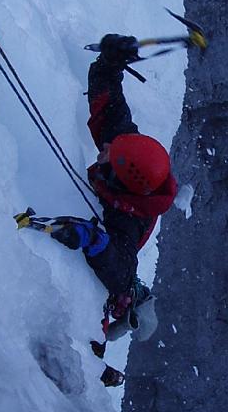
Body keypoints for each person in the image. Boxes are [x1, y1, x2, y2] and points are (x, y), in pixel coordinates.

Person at [50, 34, 178, 385]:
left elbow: (120, 268)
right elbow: (109, 105)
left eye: (110, 155)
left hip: (110, 270)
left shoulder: (129, 218)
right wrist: (109, 64)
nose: (103, 149)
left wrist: (92, 240)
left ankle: (92, 371)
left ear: (123, 180)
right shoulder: (126, 152)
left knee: (92, 315)